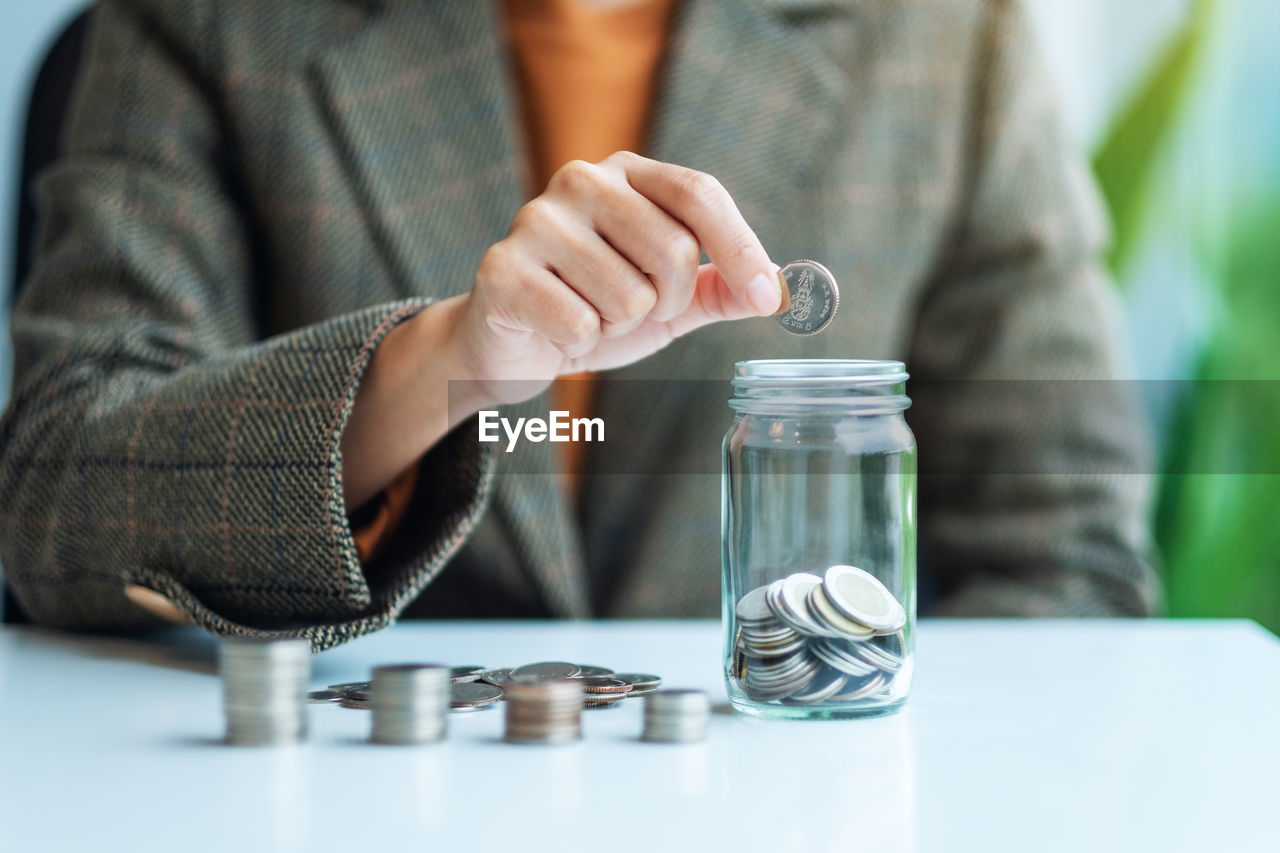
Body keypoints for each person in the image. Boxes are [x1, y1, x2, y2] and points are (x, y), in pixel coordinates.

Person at [0, 0, 1159, 650]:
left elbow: (1062, 559)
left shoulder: (950, 40)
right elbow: (56, 495)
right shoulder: (202, 22)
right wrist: (439, 365)